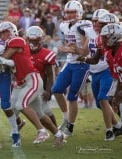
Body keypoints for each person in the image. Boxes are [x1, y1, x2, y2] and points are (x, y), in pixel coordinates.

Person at [0, 21, 65, 146]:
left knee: (21, 105)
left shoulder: (17, 40)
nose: (3, 36)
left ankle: (42, 131)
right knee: (33, 112)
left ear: (12, 31)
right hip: (20, 83)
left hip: (31, 79)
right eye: (1, 34)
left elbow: (1, 59)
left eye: (5, 32)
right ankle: (58, 134)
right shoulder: (9, 44)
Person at [76, 12, 122, 140]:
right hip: (104, 72)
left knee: (105, 99)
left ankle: (109, 131)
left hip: (110, 72)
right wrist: (85, 59)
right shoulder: (99, 38)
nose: (97, 26)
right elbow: (96, 58)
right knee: (102, 103)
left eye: (102, 24)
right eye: (98, 23)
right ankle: (118, 126)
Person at [51, 0, 90, 137]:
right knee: (56, 90)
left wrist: (68, 49)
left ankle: (70, 127)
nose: (70, 14)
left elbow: (85, 52)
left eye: (73, 12)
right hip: (69, 63)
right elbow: (71, 43)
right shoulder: (64, 25)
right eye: (68, 12)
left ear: (79, 12)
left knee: (72, 96)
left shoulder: (84, 26)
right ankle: (66, 118)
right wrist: (68, 48)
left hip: (82, 64)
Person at [26, 26, 57, 127]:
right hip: (25, 86)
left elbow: (50, 75)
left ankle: (56, 130)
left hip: (40, 86)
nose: (34, 43)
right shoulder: (22, 52)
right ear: (27, 39)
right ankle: (15, 132)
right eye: (32, 40)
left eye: (36, 40)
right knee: (15, 108)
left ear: (41, 40)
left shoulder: (46, 54)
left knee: (46, 111)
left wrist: (48, 90)